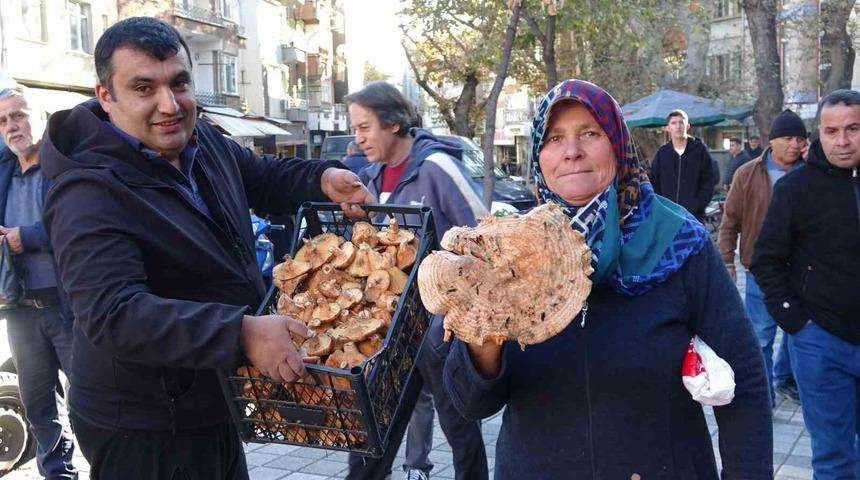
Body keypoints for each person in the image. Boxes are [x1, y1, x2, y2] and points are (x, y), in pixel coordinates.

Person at [39, 17, 373, 479]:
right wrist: (240, 333)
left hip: (214, 397)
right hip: (145, 426)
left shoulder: (204, 140)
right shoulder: (86, 192)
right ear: (106, 97)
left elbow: (261, 176)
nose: (169, 105)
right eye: (143, 88)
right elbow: (113, 313)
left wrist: (321, 178)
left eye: (179, 83)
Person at [444, 79, 772, 479]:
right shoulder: (505, 249)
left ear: (617, 144)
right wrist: (485, 334)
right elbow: (472, 403)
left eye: (590, 133)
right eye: (554, 138)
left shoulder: (679, 241)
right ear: (538, 157)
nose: (572, 151)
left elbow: (746, 379)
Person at [345, 81, 489, 480]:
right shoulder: (370, 179)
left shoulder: (437, 168)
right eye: (354, 129)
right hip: (388, 336)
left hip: (438, 334)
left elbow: (484, 233)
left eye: (364, 128)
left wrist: (457, 309)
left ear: (392, 124)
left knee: (460, 430)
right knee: (370, 431)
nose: (357, 139)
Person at [751, 89, 860, 480]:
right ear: (819, 135)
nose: (842, 140)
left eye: (853, 129)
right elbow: (765, 260)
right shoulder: (796, 189)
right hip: (821, 344)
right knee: (834, 459)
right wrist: (796, 322)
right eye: (832, 131)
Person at [0, 87, 77, 479]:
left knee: (90, 401)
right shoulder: (4, 174)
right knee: (39, 407)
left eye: (19, 115)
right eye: (3, 120)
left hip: (67, 308)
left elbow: (75, 224)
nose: (12, 126)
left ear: (42, 117)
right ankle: (58, 475)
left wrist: (22, 237)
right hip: (20, 311)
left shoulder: (62, 166)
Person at [719, 110, 807, 406]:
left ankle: (785, 379)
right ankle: (763, 393)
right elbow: (729, 221)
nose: (795, 144)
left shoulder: (810, 172)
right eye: (788, 138)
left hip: (802, 269)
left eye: (800, 138)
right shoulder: (748, 173)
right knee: (761, 335)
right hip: (760, 269)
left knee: (798, 330)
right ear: (774, 141)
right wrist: (727, 261)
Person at [649, 109, 718, 220]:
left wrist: (697, 204)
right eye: (674, 123)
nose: (678, 126)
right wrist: (662, 206)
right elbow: (654, 182)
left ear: (688, 126)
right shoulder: (662, 153)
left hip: (694, 216)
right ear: (667, 128)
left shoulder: (699, 151)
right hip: (668, 215)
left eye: (681, 122)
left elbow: (709, 180)